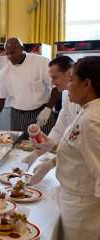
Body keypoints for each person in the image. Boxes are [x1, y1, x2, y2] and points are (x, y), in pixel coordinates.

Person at [53, 56, 100, 240]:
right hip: (74, 202)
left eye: (71, 80)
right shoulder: (86, 111)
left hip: (85, 209)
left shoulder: (91, 120)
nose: (67, 86)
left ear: (87, 84)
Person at [0, 37, 60, 137]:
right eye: (7, 54)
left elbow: (57, 86)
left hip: (41, 113)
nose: (10, 57)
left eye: (13, 52)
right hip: (18, 116)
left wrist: (48, 108)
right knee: (18, 148)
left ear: (22, 48)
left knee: (44, 145)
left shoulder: (42, 63)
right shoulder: (4, 73)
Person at [21, 56, 81, 184]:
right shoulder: (66, 94)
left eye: (55, 77)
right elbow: (60, 128)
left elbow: (77, 144)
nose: (52, 83)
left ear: (69, 73)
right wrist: (38, 153)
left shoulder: (85, 100)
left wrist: (50, 163)